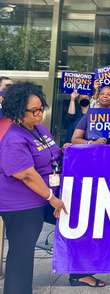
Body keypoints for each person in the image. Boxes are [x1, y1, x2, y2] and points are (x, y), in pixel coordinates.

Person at [0, 82, 67, 294]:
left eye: (41, 108)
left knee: (25, 252)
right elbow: (27, 175)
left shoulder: (38, 128)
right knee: (21, 254)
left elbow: (52, 153)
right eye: (34, 110)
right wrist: (51, 198)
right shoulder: (13, 138)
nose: (40, 113)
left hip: (39, 200)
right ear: (20, 111)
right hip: (20, 205)